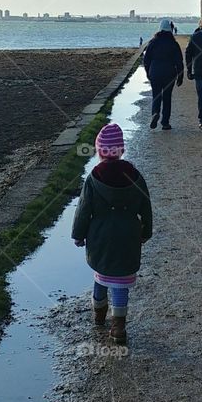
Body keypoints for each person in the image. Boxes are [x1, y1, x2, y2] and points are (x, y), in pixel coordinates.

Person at [72, 122, 153, 344]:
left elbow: (83, 208)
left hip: (100, 236)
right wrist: (146, 230)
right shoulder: (134, 175)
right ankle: (119, 326)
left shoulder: (94, 177)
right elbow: (145, 205)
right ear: (121, 150)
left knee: (101, 273)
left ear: (99, 151)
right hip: (128, 235)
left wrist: (78, 234)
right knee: (120, 280)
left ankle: (99, 314)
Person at [143, 18, 184, 130]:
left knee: (156, 95)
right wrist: (180, 76)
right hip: (169, 73)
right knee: (167, 97)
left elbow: (146, 60)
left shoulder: (153, 42)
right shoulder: (173, 44)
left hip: (155, 72)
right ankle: (165, 122)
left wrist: (148, 72)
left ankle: (155, 113)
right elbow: (179, 62)